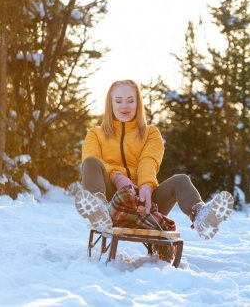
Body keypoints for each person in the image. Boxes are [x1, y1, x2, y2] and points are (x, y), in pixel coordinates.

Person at [75, 79, 234, 240]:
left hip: (144, 204)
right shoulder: (95, 134)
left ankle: (201, 216)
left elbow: (149, 160)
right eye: (118, 101)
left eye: (130, 100)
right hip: (111, 203)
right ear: (110, 104)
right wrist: (117, 177)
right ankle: (98, 210)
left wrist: (146, 186)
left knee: (181, 180)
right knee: (90, 163)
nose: (125, 106)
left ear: (138, 103)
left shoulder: (151, 133)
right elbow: (92, 158)